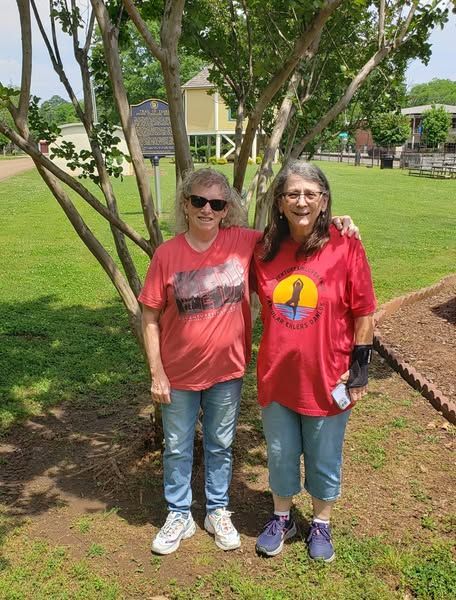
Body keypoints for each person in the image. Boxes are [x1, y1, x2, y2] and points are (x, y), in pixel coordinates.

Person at [139, 168, 359, 556]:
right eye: (198, 201)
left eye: (217, 203)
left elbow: (297, 230)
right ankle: (178, 514)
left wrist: (335, 222)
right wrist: (157, 372)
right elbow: (150, 315)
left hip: (227, 371)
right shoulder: (167, 254)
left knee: (221, 444)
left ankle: (217, 511)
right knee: (176, 447)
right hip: (178, 374)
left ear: (227, 209)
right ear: (185, 204)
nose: (207, 209)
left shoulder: (247, 243)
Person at [252, 160, 376, 562]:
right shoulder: (263, 249)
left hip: (328, 376)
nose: (301, 202)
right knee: (280, 453)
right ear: (280, 202)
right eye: (292, 194)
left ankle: (321, 523)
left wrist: (360, 368)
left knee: (324, 457)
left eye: (310, 194)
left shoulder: (345, 244)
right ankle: (282, 518)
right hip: (277, 375)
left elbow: (364, 310)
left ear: (324, 201)